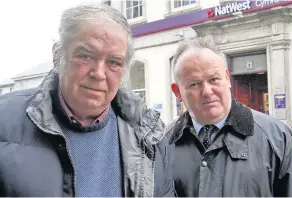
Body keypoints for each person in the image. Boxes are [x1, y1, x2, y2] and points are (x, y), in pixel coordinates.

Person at [0, 5, 173, 197]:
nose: (98, 73)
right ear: (59, 55)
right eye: (85, 56)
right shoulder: (4, 122)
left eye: (113, 62)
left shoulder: (150, 137)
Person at [165, 37, 292, 197]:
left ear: (227, 78)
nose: (207, 91)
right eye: (194, 84)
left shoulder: (276, 136)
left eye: (214, 79)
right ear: (177, 92)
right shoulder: (161, 145)